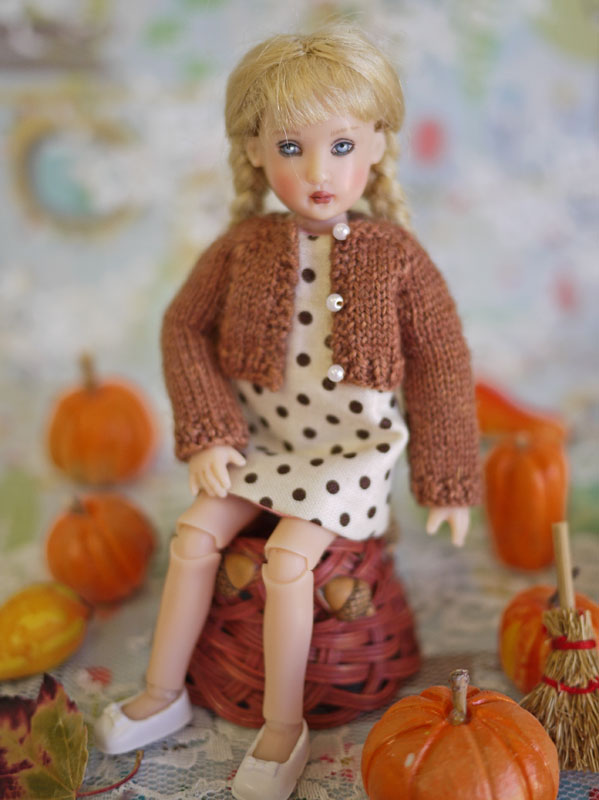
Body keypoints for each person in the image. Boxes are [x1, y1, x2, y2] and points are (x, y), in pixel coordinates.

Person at [95, 25, 481, 800]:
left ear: (377, 143)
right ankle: (162, 692)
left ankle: (281, 725)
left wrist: (445, 482)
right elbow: (182, 328)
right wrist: (210, 431)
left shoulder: (396, 258)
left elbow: (441, 366)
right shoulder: (242, 247)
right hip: (262, 444)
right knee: (194, 534)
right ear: (254, 151)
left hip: (351, 456)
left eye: (339, 146)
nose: (316, 173)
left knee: (285, 560)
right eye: (290, 148)